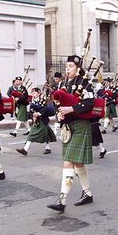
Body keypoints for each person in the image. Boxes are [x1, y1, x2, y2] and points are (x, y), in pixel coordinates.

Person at [47, 55, 94, 213]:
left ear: (78, 68)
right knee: (78, 163)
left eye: (71, 66)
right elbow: (59, 103)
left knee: (69, 162)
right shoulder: (65, 84)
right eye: (66, 66)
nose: (67, 69)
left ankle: (62, 200)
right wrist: (59, 113)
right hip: (69, 125)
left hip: (80, 125)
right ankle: (87, 193)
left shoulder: (85, 83)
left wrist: (71, 109)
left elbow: (89, 103)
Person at [16, 87, 56, 155]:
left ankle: (46, 148)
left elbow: (45, 109)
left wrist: (39, 114)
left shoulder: (43, 100)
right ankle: (26, 149)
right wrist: (33, 116)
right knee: (33, 134)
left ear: (39, 93)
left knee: (41, 135)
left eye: (35, 93)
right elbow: (31, 110)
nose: (33, 94)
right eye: (32, 93)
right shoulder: (33, 101)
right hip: (36, 120)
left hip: (43, 119)